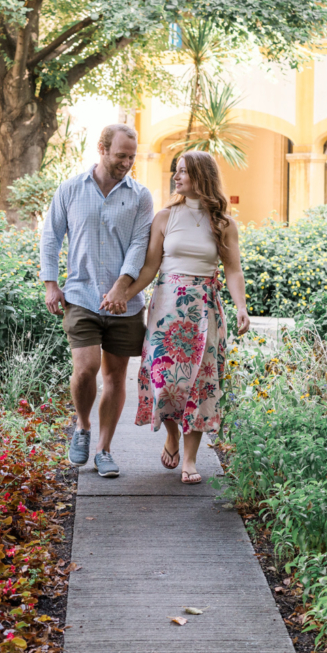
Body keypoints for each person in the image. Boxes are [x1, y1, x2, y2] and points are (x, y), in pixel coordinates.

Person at [102, 150, 249, 485]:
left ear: (201, 176)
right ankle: (171, 434)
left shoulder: (224, 224)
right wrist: (122, 294)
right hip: (167, 307)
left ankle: (190, 458)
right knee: (164, 380)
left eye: (183, 171)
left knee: (200, 382)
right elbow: (151, 267)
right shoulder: (166, 218)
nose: (176, 177)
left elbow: (233, 270)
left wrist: (241, 305)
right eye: (176, 171)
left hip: (204, 309)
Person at [40, 123, 155, 478]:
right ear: (101, 148)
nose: (127, 163)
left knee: (116, 377)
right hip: (81, 296)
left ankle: (104, 449)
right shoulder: (71, 189)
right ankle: (83, 426)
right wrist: (50, 285)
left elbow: (140, 244)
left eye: (132, 157)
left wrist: (122, 288)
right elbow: (50, 236)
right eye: (121, 155)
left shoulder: (140, 196)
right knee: (85, 369)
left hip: (125, 305)